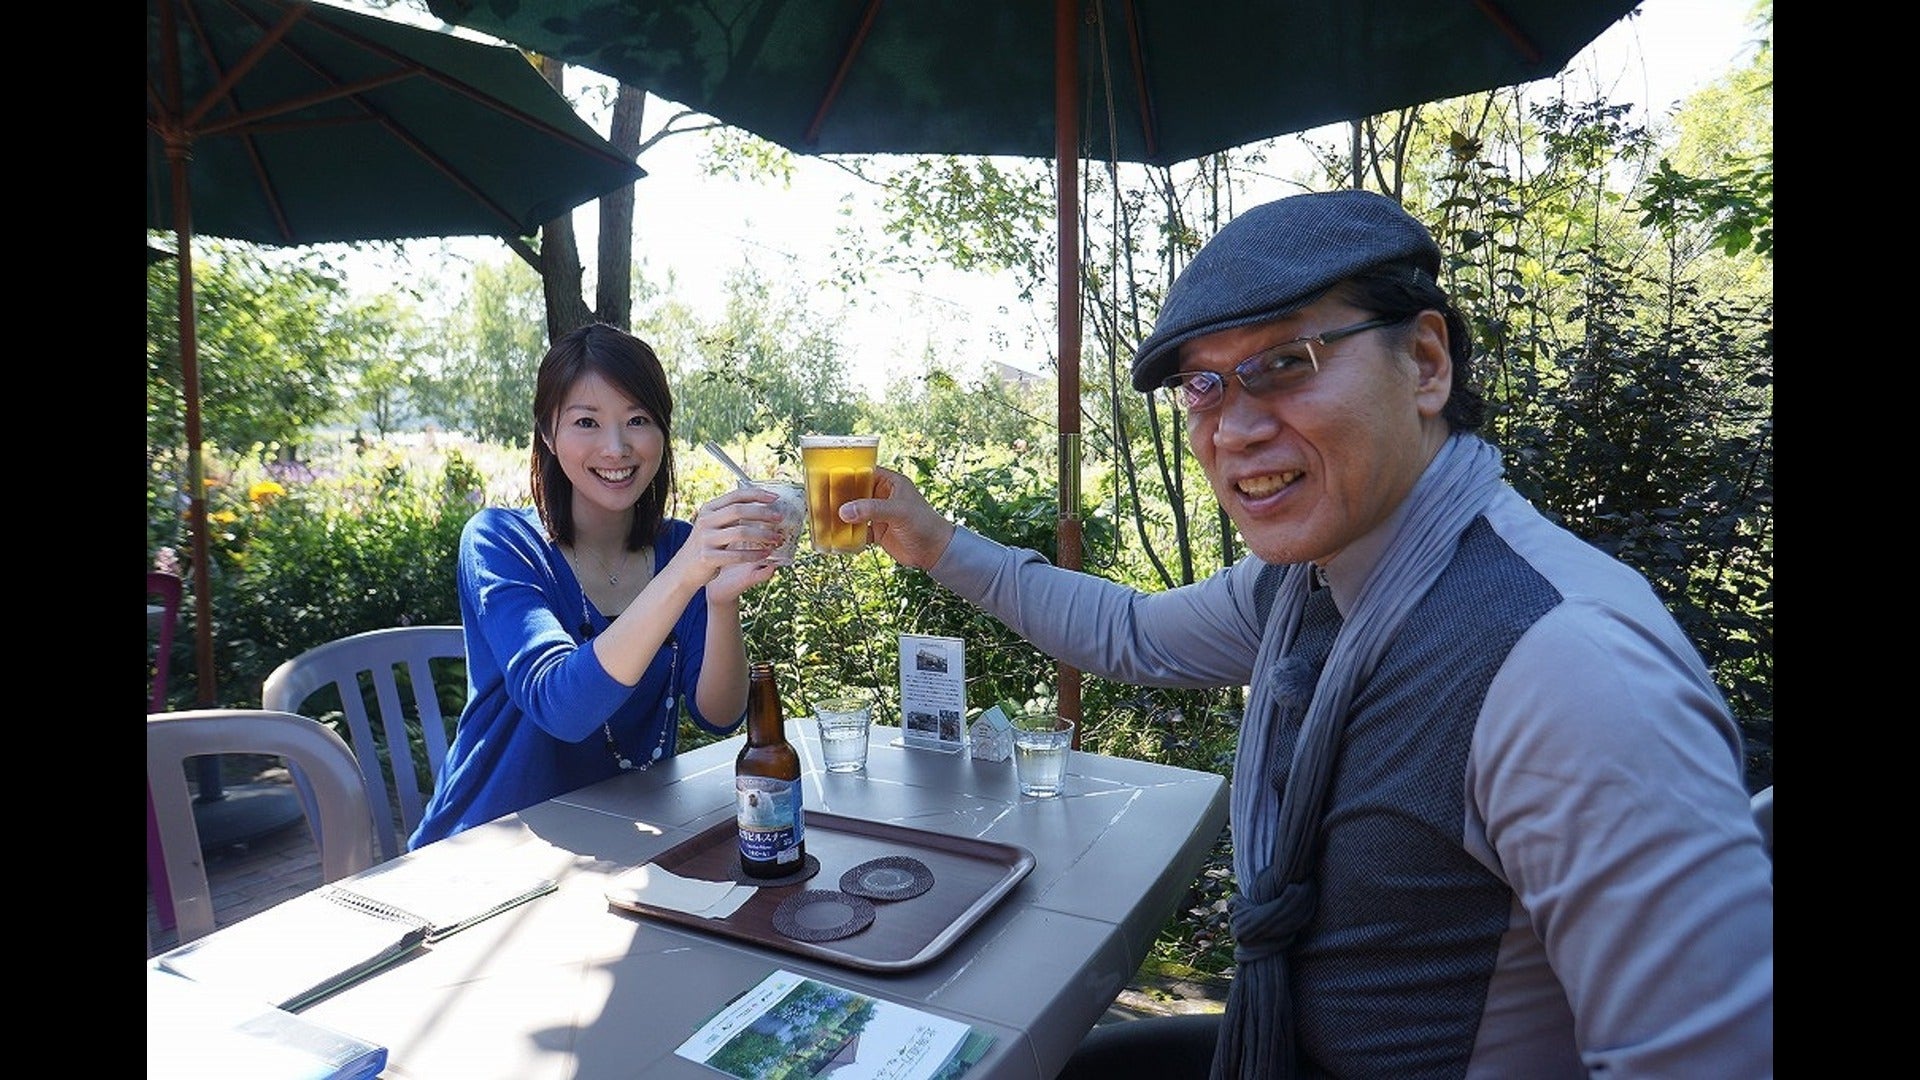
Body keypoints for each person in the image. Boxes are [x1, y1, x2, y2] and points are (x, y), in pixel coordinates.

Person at [841, 190, 1773, 1077]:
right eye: (1204, 386)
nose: (1235, 428)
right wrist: (936, 545)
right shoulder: (1313, 582)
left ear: (1427, 363)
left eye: (1285, 362)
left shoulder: (1569, 672)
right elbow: (1133, 634)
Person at [411, 323, 788, 848]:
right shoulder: (501, 542)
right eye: (586, 422)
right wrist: (683, 575)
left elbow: (719, 715)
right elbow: (562, 707)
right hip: (490, 848)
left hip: (624, 842)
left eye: (638, 420)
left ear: (662, 433)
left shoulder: (679, 548)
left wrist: (720, 601)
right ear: (548, 432)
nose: (616, 448)